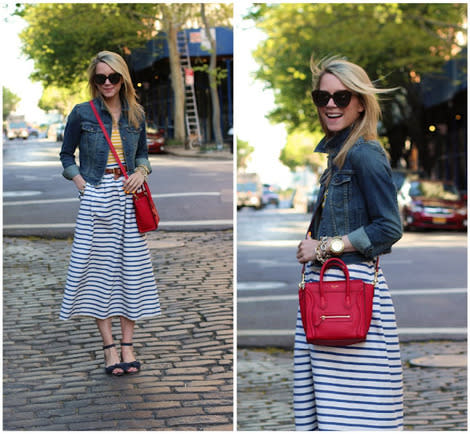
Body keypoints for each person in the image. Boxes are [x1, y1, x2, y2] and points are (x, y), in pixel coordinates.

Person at [294, 57, 404, 430]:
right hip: (332, 292)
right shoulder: (339, 155)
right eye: (322, 97)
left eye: (342, 97)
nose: (330, 104)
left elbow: (389, 227)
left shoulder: (364, 153)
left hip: (349, 295)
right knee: (336, 407)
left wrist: (324, 248)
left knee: (357, 408)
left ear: (360, 102)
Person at [59, 51, 161, 376]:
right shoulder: (81, 113)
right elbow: (65, 155)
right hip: (96, 194)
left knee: (131, 271)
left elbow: (142, 153)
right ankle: (109, 348)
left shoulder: (136, 113)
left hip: (129, 196)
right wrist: (81, 185)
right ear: (94, 80)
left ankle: (128, 345)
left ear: (123, 79)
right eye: (101, 78)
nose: (107, 83)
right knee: (99, 274)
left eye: (113, 77)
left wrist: (141, 171)